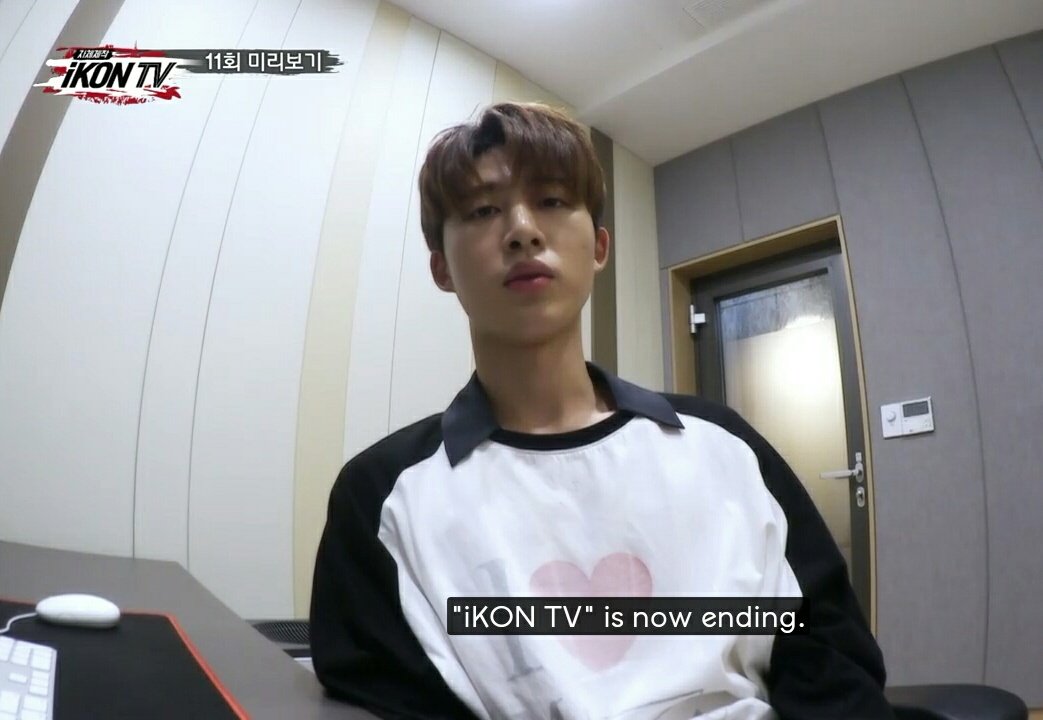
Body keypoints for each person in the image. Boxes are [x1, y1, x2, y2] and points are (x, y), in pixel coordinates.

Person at [309, 102, 895, 720]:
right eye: (482, 211)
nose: (522, 230)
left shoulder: (721, 446)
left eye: (552, 201)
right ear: (441, 267)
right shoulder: (382, 498)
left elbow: (828, 657)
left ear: (599, 246)